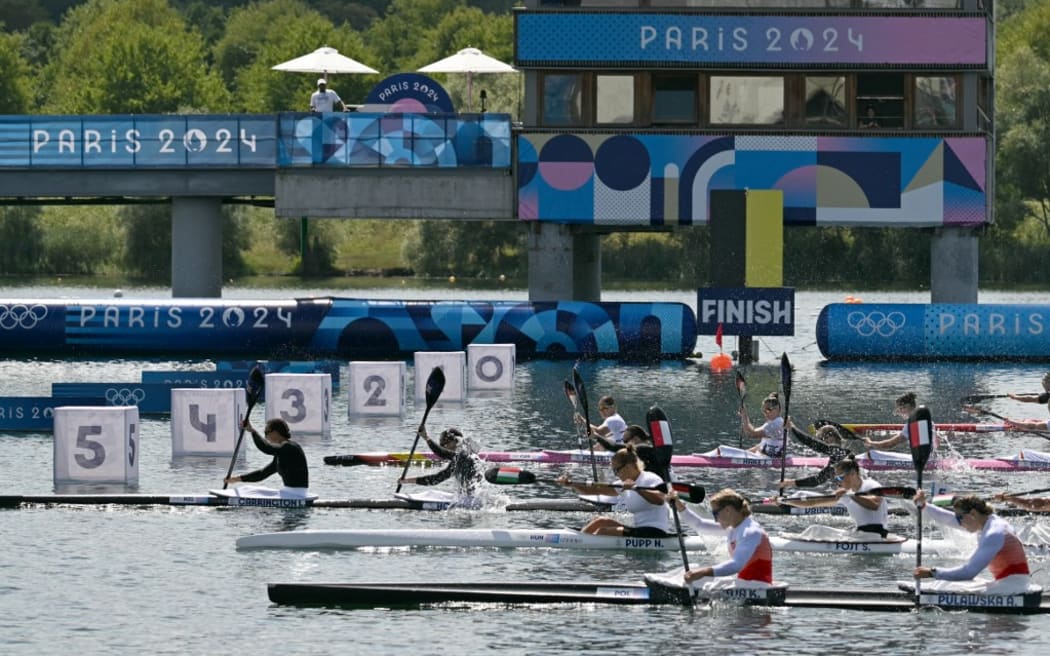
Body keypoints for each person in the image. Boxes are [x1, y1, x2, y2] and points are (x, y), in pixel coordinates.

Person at [912, 490, 1032, 595]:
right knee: (944, 583)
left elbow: (968, 572)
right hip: (1011, 584)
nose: (958, 521)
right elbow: (948, 518)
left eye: (960, 517)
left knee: (943, 583)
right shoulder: (988, 522)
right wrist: (924, 506)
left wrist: (932, 572)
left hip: (1013, 589)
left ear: (973, 513)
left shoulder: (994, 533)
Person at [557, 445, 670, 536]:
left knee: (603, 532)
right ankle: (579, 540)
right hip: (639, 530)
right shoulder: (624, 484)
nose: (615, 474)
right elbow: (595, 490)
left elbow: (660, 499)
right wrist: (571, 484)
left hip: (655, 531)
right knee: (600, 521)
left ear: (629, 466)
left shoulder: (650, 478)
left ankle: (591, 554)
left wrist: (636, 489)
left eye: (616, 470)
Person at [673, 488, 773, 588]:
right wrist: (677, 503)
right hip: (745, 585)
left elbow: (736, 565)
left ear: (728, 510)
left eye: (715, 514)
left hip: (759, 588)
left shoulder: (750, 532)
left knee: (702, 578)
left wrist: (702, 572)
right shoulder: (733, 527)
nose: (716, 520)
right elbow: (699, 524)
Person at [777, 456, 890, 537]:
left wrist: (850, 495)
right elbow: (813, 502)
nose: (838, 482)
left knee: (816, 531)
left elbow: (874, 504)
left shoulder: (871, 485)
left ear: (853, 474)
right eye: (836, 479)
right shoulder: (847, 492)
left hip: (876, 536)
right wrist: (784, 501)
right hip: (860, 534)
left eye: (840, 478)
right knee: (815, 529)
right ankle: (795, 539)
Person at [224, 418, 309, 497]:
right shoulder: (282, 452)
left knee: (253, 493)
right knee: (249, 489)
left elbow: (265, 447)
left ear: (275, 432)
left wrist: (252, 431)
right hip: (292, 493)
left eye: (266, 432)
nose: (265, 436)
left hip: (296, 494)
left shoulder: (289, 447)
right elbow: (262, 474)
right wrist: (236, 479)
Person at [398, 427, 482, 497]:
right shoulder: (460, 460)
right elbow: (436, 479)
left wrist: (426, 437)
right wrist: (406, 481)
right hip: (471, 497)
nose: (443, 446)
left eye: (444, 443)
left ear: (455, 441)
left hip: (470, 499)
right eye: (441, 444)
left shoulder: (464, 456)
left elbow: (441, 452)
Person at [777, 422, 855, 493]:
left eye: (824, 438)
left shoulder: (839, 452)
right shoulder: (837, 457)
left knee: (801, 494)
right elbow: (817, 480)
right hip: (844, 492)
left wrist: (793, 428)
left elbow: (811, 442)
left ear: (833, 437)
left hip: (851, 493)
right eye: (821, 439)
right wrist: (791, 483)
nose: (823, 441)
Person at [591, 424, 671, 482]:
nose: (624, 444)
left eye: (626, 441)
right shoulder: (648, 449)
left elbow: (613, 447)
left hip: (656, 485)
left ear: (636, 439)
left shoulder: (642, 448)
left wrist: (595, 436)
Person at [862, 392, 933, 451]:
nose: (899, 412)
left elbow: (890, 445)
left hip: (923, 461)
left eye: (901, 409)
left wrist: (871, 443)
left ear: (907, 406)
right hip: (932, 457)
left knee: (872, 454)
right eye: (899, 409)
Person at [741, 393, 785, 457]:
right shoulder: (771, 422)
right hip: (763, 457)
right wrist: (745, 453)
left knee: (722, 450)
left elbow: (751, 434)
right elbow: (762, 445)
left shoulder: (776, 424)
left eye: (768, 410)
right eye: (763, 411)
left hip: (771, 460)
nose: (765, 413)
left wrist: (744, 416)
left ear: (777, 409)